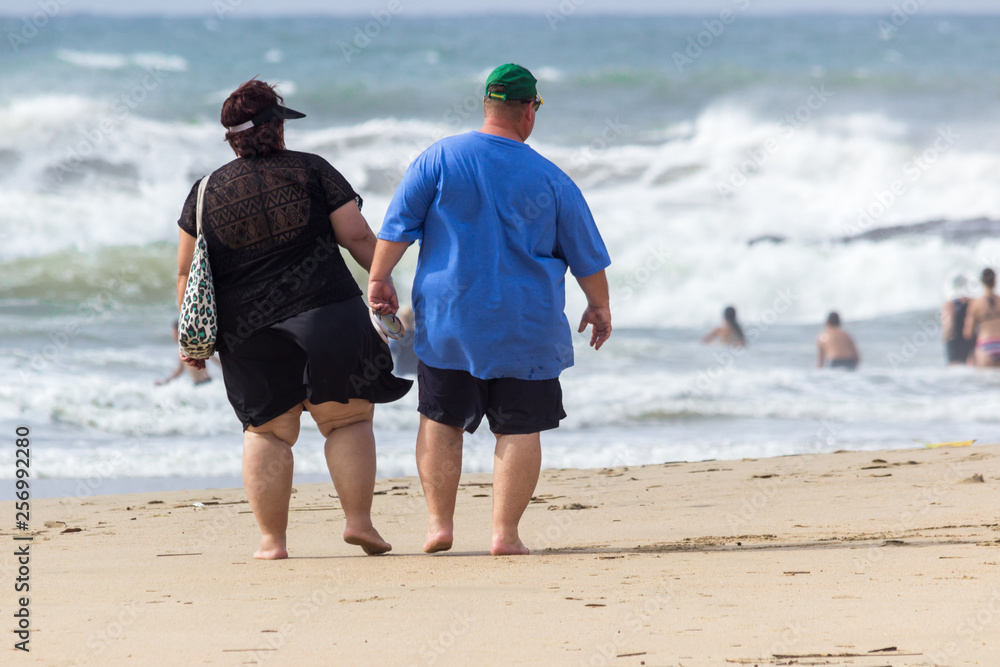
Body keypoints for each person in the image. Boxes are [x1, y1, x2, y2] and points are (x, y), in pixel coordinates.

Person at [367, 64, 612, 556]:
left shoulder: (438, 159)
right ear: (529, 111)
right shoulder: (552, 178)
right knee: (519, 425)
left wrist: (378, 278)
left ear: (487, 105)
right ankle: (504, 535)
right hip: (526, 326)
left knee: (440, 419)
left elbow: (397, 228)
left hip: (450, 321)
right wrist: (599, 306)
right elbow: (587, 257)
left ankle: (440, 525)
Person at [175, 79, 411, 560]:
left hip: (248, 331)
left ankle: (272, 542)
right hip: (328, 316)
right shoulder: (312, 170)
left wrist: (192, 340)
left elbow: (187, 274)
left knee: (267, 431)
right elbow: (357, 237)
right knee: (347, 420)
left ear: (232, 137)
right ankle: (359, 522)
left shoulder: (204, 192)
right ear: (277, 128)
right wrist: (384, 281)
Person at [156, 320, 214, 386]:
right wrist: (164, 382)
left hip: (205, 382)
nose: (173, 336)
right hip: (199, 384)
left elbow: (212, 356)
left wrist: (223, 370)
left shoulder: (192, 344)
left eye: (173, 333)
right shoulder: (182, 349)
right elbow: (179, 370)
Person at [963, 267, 1000, 368]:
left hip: (985, 344)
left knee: (985, 377)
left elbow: (968, 332)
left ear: (981, 282)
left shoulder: (975, 304)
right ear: (995, 280)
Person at [941, 274, 974, 365]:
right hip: (970, 339)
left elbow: (949, 324)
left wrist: (945, 337)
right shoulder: (972, 302)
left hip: (955, 340)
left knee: (956, 369)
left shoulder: (950, 303)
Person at [388, 305, 418, 375]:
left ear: (402, 319)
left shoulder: (397, 337)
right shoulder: (420, 337)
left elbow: (390, 354)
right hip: (416, 375)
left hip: (402, 375)